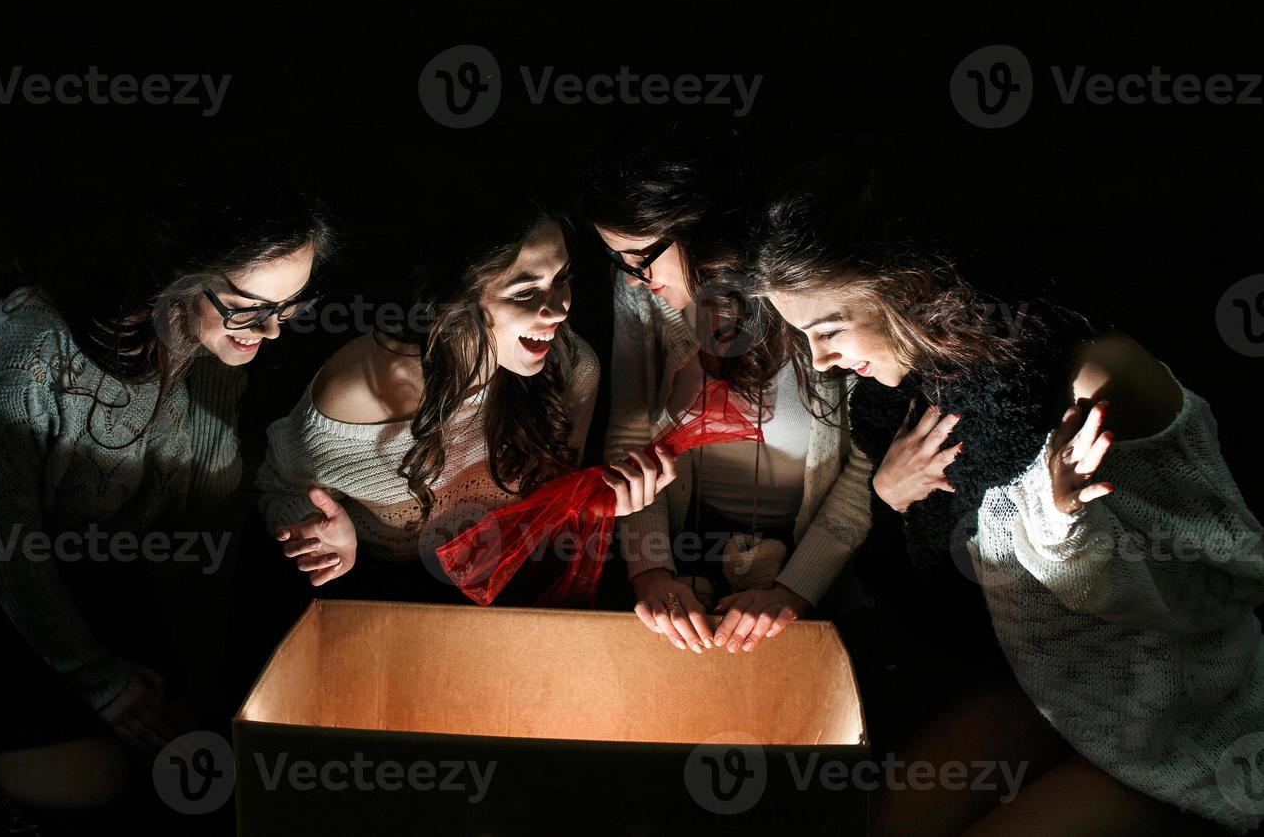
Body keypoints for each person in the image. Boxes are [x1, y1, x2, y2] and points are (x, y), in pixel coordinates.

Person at [754, 179, 1262, 836]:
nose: (823, 364)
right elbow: (938, 606)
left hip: (1174, 710)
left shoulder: (1092, 377)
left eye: (828, 330)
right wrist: (890, 502)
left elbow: (1220, 583)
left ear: (908, 290)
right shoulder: (918, 395)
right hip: (1043, 690)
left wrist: (1063, 526)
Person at [0, 178, 332, 811]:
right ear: (180, 271)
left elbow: (208, 509)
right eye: (251, 307)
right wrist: (97, 678)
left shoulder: (224, 345)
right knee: (93, 780)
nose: (274, 330)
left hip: (92, 557)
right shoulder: (31, 343)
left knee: (192, 760)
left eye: (290, 306)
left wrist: (300, 512)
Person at [257, 191, 662, 604]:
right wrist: (317, 535)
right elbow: (277, 490)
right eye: (524, 292)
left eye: (561, 279)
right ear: (455, 298)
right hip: (380, 592)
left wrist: (589, 506)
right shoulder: (357, 397)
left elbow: (544, 507)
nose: (558, 309)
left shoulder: (572, 369)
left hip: (506, 588)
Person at [586, 142, 873, 655]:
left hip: (812, 572)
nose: (636, 276)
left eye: (644, 257)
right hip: (684, 564)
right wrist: (649, 570)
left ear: (701, 231)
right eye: (621, 260)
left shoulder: (805, 299)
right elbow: (629, 435)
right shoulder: (640, 294)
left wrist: (795, 590)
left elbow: (865, 467)